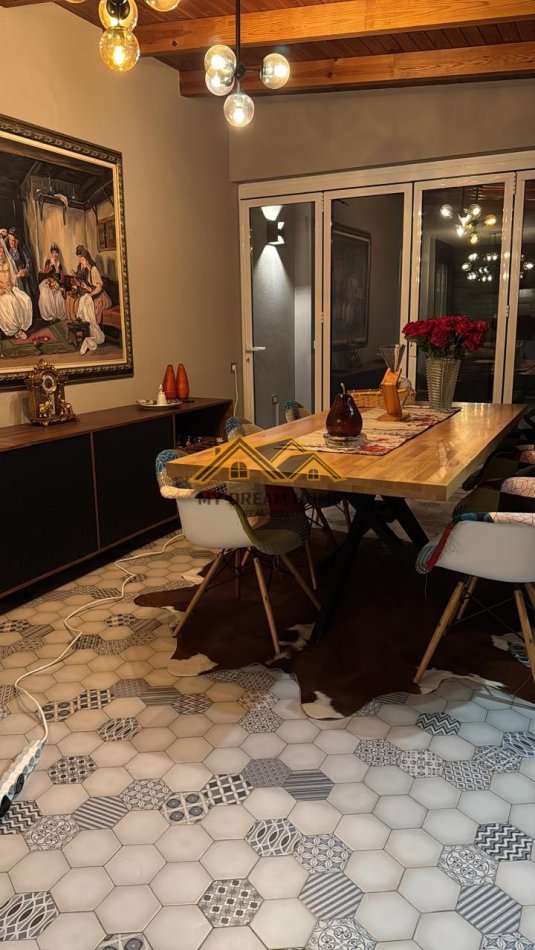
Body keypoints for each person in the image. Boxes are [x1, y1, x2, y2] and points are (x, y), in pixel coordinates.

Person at [67, 245, 111, 348]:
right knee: (83, 301)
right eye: (80, 259)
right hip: (93, 293)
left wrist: (90, 294)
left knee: (86, 303)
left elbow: (99, 287)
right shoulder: (87, 269)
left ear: (87, 260)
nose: (81, 261)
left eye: (82, 259)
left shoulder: (94, 269)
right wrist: (86, 287)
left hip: (100, 296)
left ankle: (90, 331)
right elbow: (90, 286)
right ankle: (83, 329)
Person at [0, 239, 33, 338]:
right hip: (1, 291)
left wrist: (18, 275)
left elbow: (12, 278)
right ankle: (16, 330)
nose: (0, 253)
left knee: (26, 299)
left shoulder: (8, 262)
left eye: (1, 250)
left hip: (10, 288)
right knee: (11, 302)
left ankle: (21, 327)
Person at [5, 227, 36, 299]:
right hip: (10, 276)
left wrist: (25, 271)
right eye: (10, 240)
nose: (12, 242)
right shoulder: (6, 246)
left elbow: (29, 263)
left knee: (25, 296)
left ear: (18, 240)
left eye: (14, 240)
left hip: (21, 277)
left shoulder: (23, 247)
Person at [38, 243, 66, 322]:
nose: (55, 254)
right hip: (48, 280)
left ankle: (56, 315)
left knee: (58, 294)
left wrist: (60, 284)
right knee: (47, 292)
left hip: (56, 282)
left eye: (56, 253)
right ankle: (50, 316)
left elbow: (62, 276)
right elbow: (45, 272)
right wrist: (50, 269)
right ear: (51, 253)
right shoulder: (49, 261)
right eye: (53, 253)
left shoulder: (59, 264)